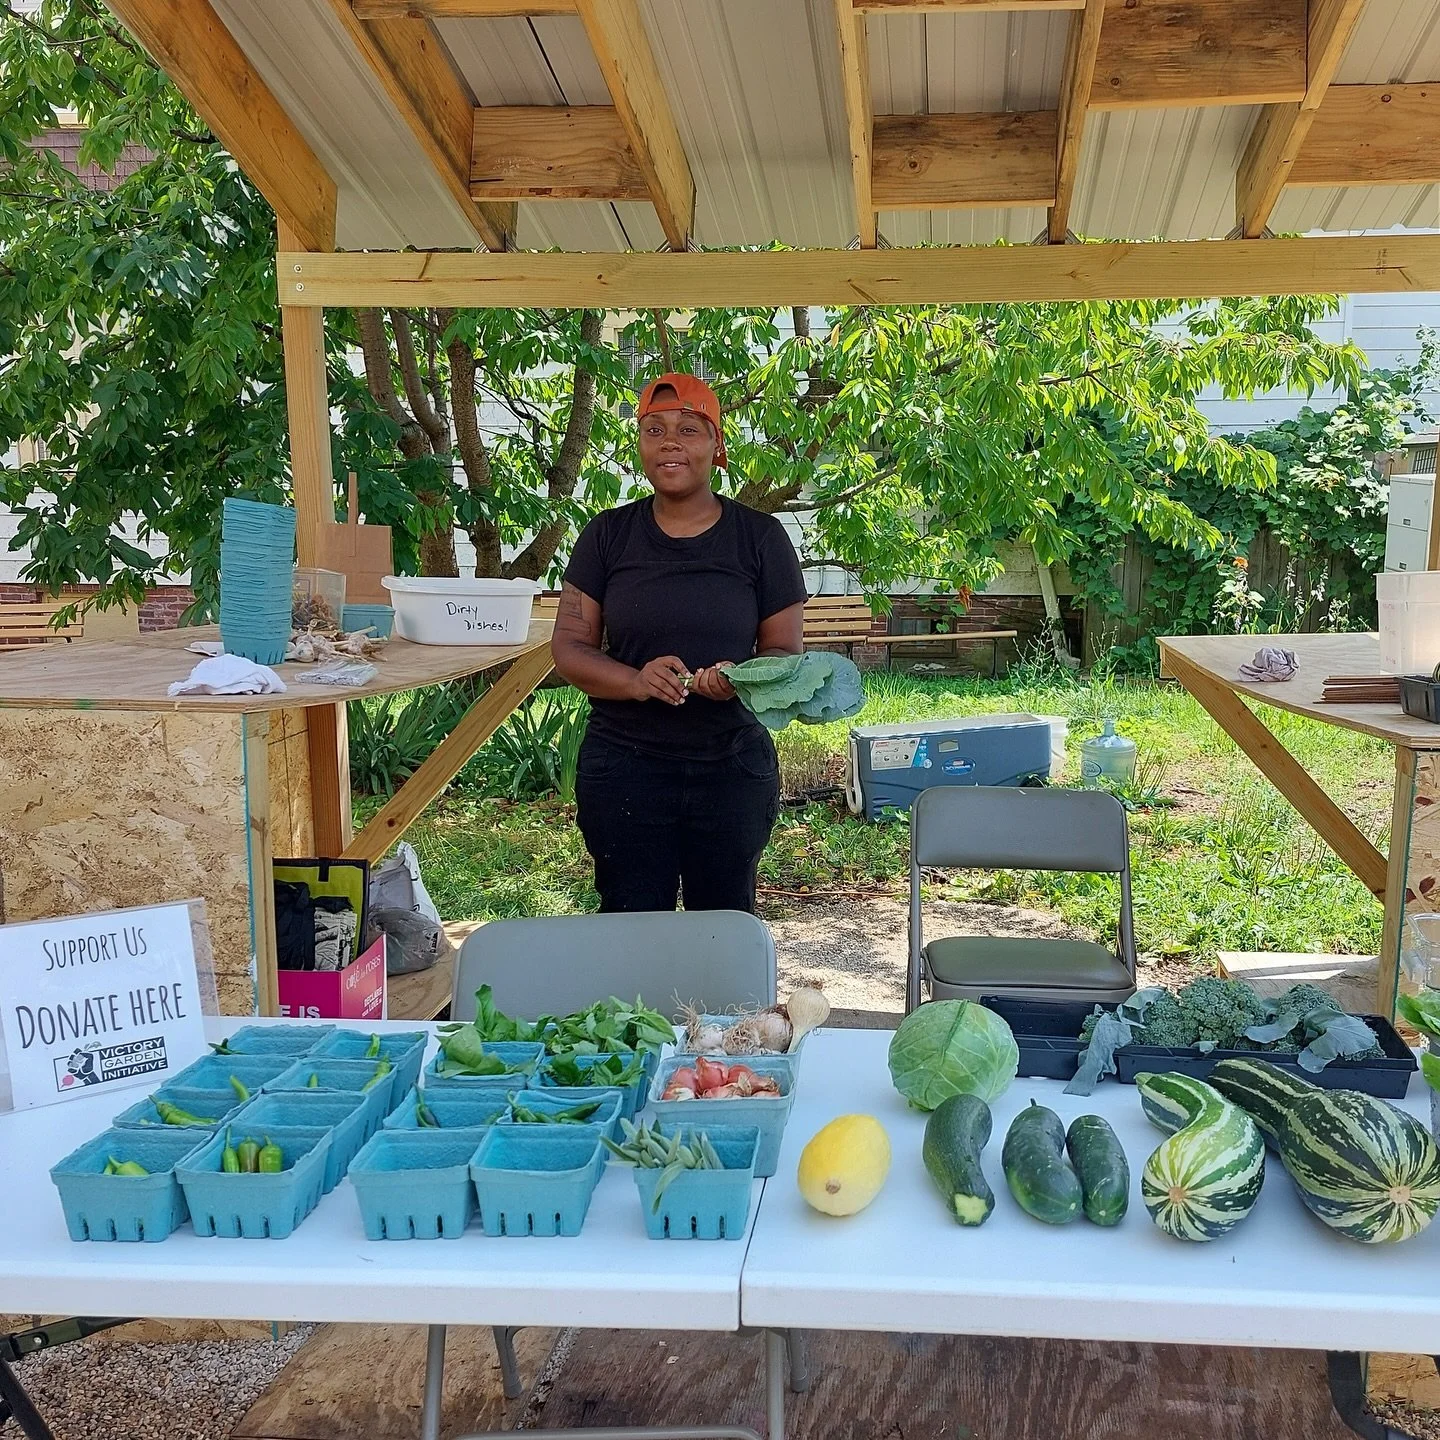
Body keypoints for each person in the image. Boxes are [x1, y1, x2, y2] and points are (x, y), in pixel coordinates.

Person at [551, 373, 807, 914]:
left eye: (689, 430)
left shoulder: (760, 538)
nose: (670, 441)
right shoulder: (606, 535)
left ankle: (714, 1007)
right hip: (625, 767)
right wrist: (635, 681)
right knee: (632, 920)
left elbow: (786, 654)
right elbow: (570, 647)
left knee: (724, 921)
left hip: (731, 766)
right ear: (640, 446)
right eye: (654, 429)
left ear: (717, 447)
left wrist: (736, 679)